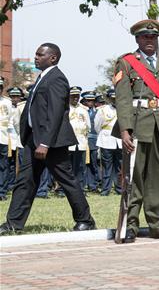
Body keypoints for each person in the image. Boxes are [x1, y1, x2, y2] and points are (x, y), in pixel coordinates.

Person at [1, 43, 96, 235]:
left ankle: (85, 220)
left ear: (52, 58)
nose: (35, 57)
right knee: (24, 181)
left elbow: (55, 113)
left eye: (39, 55)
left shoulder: (57, 79)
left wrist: (45, 142)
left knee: (66, 180)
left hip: (50, 142)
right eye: (36, 54)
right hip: (33, 139)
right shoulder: (42, 78)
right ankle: (13, 223)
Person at [113, 20, 159, 242]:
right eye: (145, 37)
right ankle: (130, 225)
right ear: (137, 40)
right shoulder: (126, 63)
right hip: (137, 127)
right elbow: (123, 101)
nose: (149, 41)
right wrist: (125, 131)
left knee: (158, 180)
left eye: (153, 37)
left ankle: (158, 224)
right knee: (134, 178)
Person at [94, 88, 121, 196]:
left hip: (120, 141)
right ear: (109, 99)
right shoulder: (103, 110)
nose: (114, 100)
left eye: (116, 98)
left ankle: (119, 188)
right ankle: (106, 189)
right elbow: (97, 126)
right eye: (112, 99)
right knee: (106, 167)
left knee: (120, 166)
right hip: (106, 140)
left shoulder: (123, 108)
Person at [1, 86, 25, 201]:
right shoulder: (7, 103)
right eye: (13, 96)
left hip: (10, 139)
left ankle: (4, 189)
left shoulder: (12, 105)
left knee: (7, 165)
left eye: (17, 97)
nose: (15, 99)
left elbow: (16, 124)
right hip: (5, 137)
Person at [67, 86, 90, 190]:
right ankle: (65, 188)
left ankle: (80, 187)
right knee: (67, 166)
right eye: (73, 96)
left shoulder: (83, 110)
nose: (75, 98)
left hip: (80, 141)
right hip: (67, 142)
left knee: (80, 167)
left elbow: (88, 126)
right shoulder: (65, 108)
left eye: (77, 96)